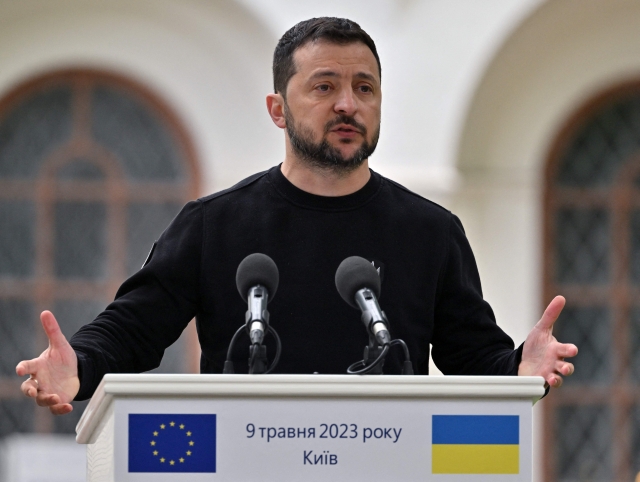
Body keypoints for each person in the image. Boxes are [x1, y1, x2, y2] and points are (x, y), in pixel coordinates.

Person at [16, 17, 577, 416]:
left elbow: (470, 354)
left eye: (365, 88)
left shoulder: (429, 231)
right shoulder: (214, 225)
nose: (348, 105)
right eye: (324, 87)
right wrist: (81, 367)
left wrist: (517, 374)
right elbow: (134, 328)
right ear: (278, 110)